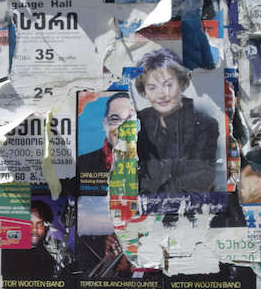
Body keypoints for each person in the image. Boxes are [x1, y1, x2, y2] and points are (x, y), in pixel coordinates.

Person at [133, 49, 220, 196]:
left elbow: (199, 180)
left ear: (182, 83)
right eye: (152, 88)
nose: (161, 95)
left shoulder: (205, 124)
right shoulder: (138, 120)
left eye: (168, 85)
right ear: (144, 91)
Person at [77, 94, 135, 193]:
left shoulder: (155, 163)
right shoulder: (82, 163)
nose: (122, 127)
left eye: (130, 119)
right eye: (115, 119)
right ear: (104, 124)